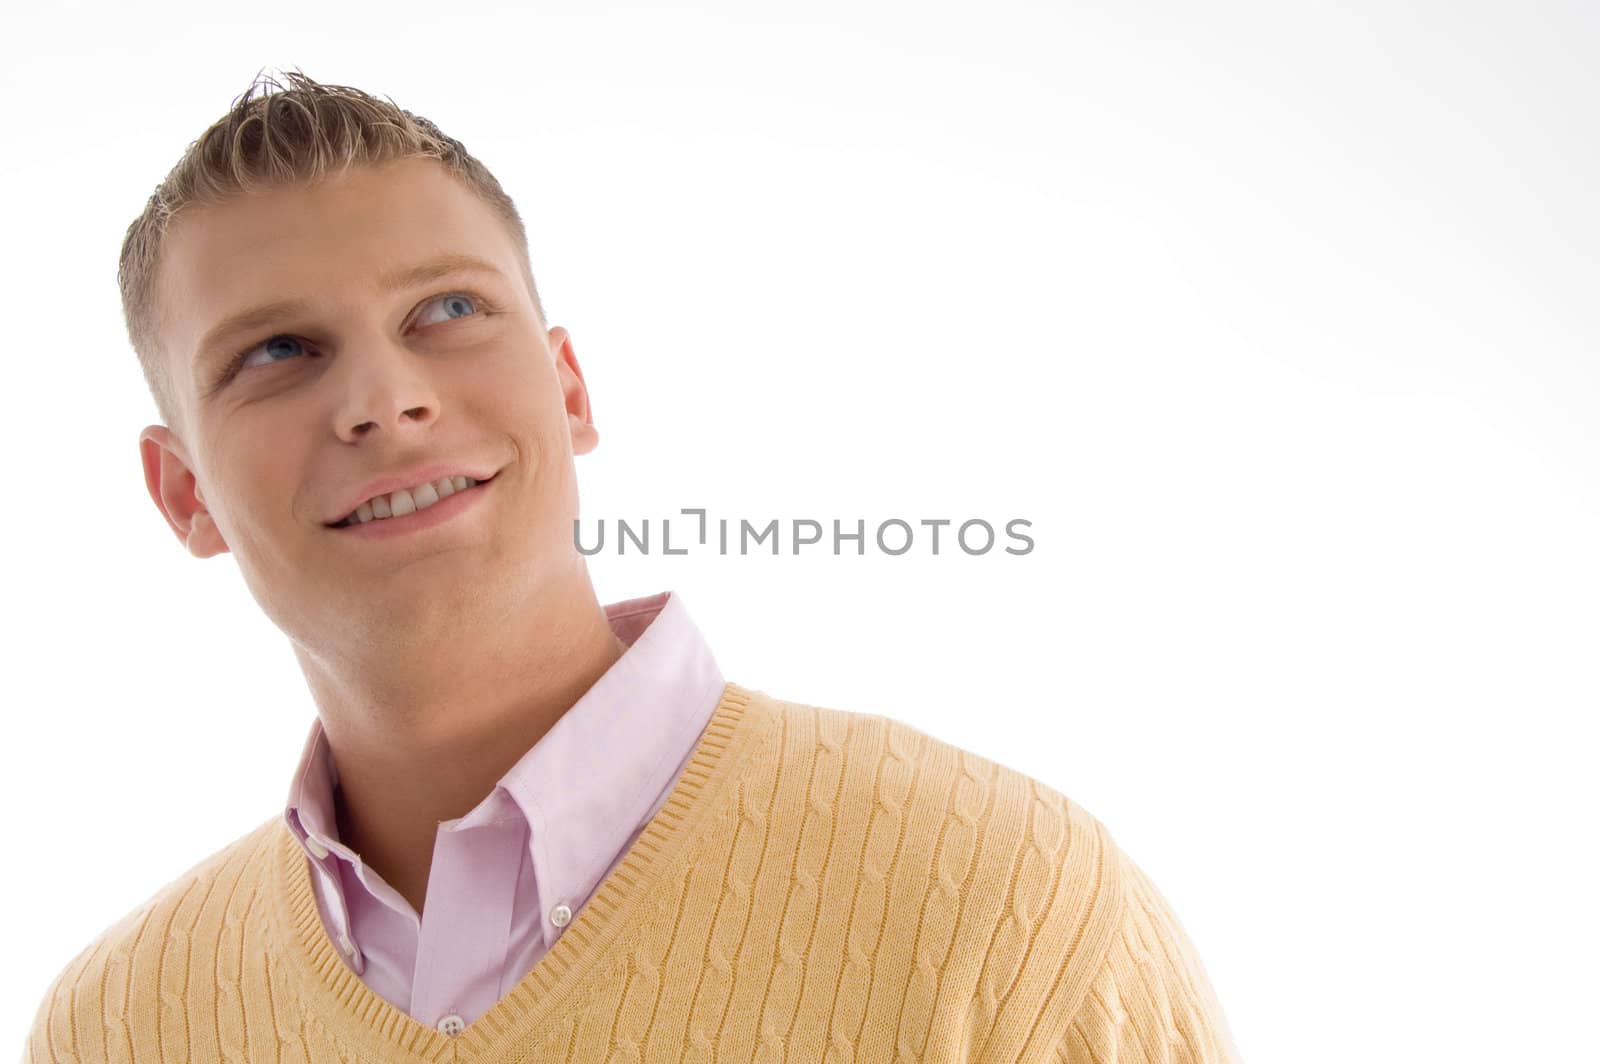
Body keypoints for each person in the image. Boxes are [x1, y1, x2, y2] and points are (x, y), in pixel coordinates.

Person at [24, 69, 1240, 1062]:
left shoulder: (1004, 902)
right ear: (184, 494)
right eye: (278, 350)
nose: (383, 400)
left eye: (444, 311)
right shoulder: (119, 1024)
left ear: (568, 388)